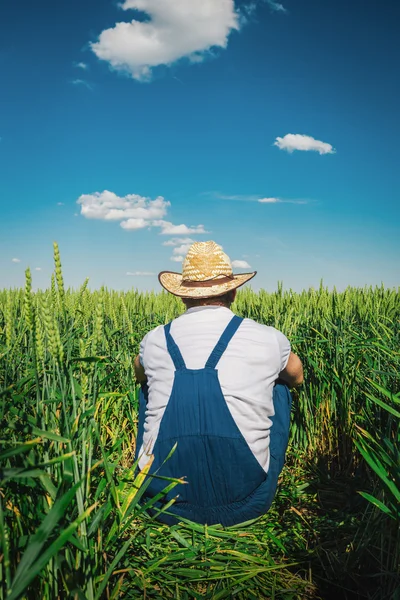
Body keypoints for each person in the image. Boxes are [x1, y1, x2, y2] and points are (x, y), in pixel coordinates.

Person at [134, 241, 303, 526]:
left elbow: (138, 373)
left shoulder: (154, 339)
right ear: (233, 292)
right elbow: (297, 377)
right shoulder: (267, 336)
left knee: (147, 387)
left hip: (161, 504)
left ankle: (151, 471)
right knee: (280, 386)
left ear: (182, 296)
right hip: (247, 502)